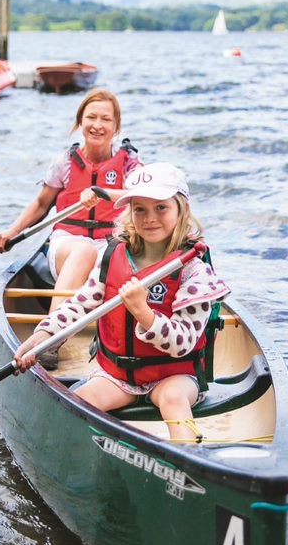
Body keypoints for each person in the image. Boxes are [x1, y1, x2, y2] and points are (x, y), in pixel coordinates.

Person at [13, 163, 228, 443]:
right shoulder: (112, 255)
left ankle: (190, 461)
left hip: (174, 376)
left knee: (174, 398)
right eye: (140, 209)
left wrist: (144, 313)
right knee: (76, 403)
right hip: (120, 377)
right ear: (129, 212)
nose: (150, 218)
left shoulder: (195, 271)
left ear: (181, 209)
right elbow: (80, 303)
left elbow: (184, 342)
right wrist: (43, 334)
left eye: (161, 208)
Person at [0, 89, 141, 365]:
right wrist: (11, 232)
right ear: (80, 122)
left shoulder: (131, 165)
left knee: (117, 258)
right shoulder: (64, 163)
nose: (97, 125)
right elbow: (40, 204)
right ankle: (50, 340)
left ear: (116, 126)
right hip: (67, 243)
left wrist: (104, 192)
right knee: (84, 251)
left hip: (110, 244)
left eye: (106, 119)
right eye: (91, 117)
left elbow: (147, 197)